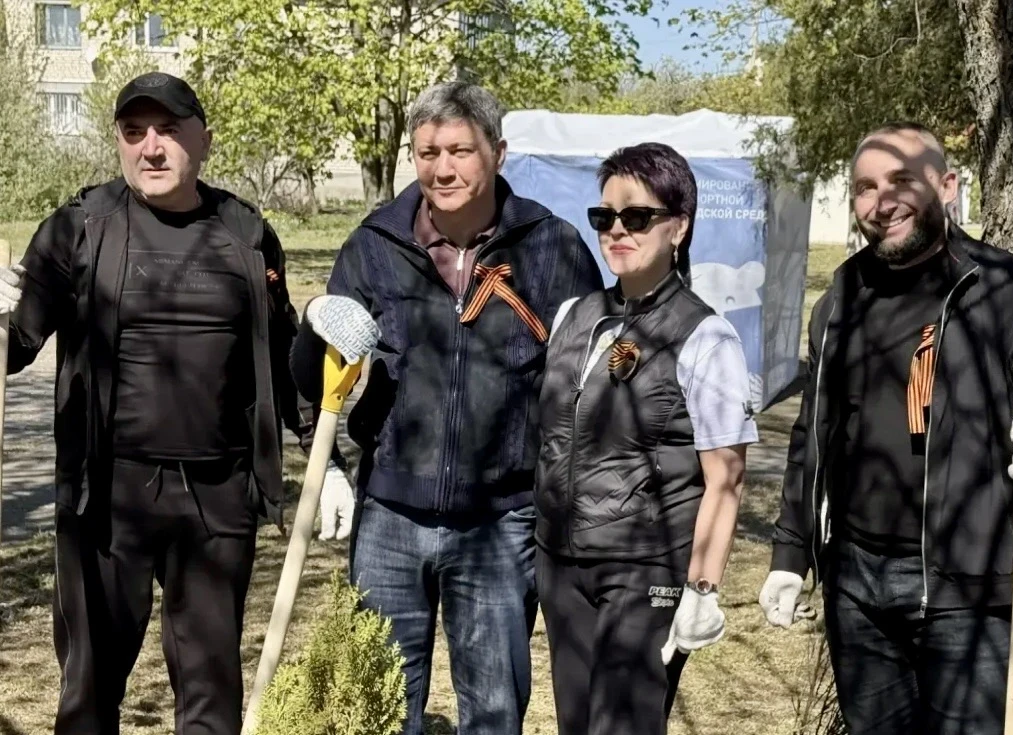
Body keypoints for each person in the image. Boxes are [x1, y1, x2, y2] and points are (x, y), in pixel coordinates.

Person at [0, 72, 312, 735]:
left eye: (169, 130)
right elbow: (15, 346)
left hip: (218, 497)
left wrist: (325, 457)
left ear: (204, 140)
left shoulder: (245, 232)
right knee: (88, 693)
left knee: (210, 695)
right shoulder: (79, 227)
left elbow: (283, 357)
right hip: (107, 498)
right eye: (134, 131)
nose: (151, 147)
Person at [290, 81, 604, 735]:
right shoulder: (375, 244)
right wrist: (314, 324)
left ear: (497, 153)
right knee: (374, 710)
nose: (442, 168)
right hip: (389, 517)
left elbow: (587, 386)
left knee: (492, 711)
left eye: (460, 150)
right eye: (427, 152)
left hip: (500, 521)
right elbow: (315, 376)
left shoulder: (551, 248)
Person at [758, 121, 1013, 735]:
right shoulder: (841, 298)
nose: (881, 202)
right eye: (865, 187)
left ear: (947, 186)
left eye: (901, 181)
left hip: (972, 591)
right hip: (855, 585)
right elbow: (813, 432)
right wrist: (791, 552)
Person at [532, 142, 758, 735]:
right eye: (604, 216)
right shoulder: (574, 316)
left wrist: (703, 587)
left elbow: (726, 478)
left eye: (636, 217)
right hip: (562, 562)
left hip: (644, 567)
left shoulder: (705, 336)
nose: (617, 230)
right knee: (577, 724)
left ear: (678, 227)